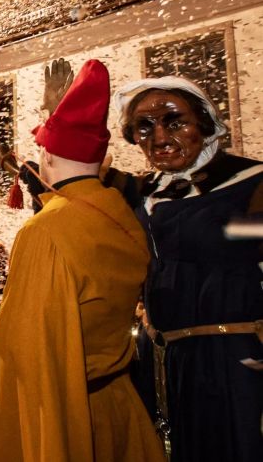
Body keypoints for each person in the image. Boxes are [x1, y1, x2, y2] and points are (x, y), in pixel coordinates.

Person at [0, 60, 164, 461]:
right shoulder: (124, 219)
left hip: (70, 415)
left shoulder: (45, 231)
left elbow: (22, 349)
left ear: (45, 154)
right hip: (118, 406)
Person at [108, 76, 263, 462]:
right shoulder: (142, 193)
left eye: (174, 122)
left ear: (205, 124)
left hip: (234, 361)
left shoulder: (253, 185)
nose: (159, 137)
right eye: (144, 127)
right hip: (160, 363)